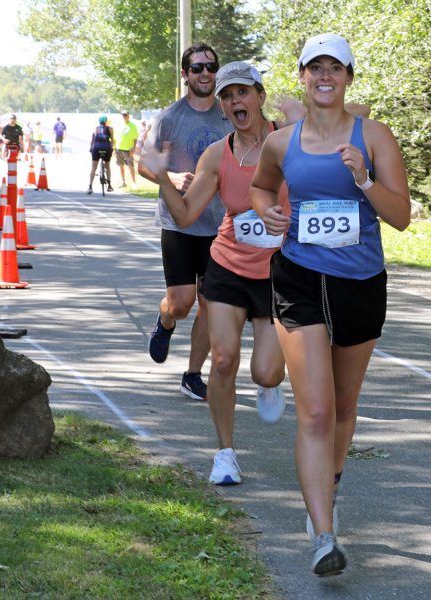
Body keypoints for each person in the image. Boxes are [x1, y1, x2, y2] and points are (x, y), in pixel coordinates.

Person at [250, 33, 411, 576]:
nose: (324, 76)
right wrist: (269, 213)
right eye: (314, 68)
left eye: (334, 68)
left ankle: (329, 485)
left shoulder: (375, 136)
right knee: (315, 411)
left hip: (359, 281)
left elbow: (402, 216)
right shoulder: (282, 142)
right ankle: (323, 535)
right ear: (301, 75)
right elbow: (261, 188)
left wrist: (364, 179)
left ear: (347, 77)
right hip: (298, 278)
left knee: (343, 407)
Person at [143, 61, 314, 486]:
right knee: (222, 360)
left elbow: (357, 119)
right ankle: (224, 454)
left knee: (266, 371)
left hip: (279, 270)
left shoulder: (293, 137)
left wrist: (313, 110)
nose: (235, 100)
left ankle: (269, 383)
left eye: (242, 92)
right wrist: (161, 175)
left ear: (259, 95)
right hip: (228, 267)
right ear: (221, 106)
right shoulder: (218, 154)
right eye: (227, 95)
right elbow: (184, 216)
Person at [138, 42, 234, 402]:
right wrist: (173, 179)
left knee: (210, 302)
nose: (205, 73)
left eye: (211, 67)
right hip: (179, 223)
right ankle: (164, 322)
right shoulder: (170, 118)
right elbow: (144, 165)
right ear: (185, 74)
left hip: (220, 225)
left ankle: (192, 375)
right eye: (197, 68)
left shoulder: (229, 114)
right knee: (181, 303)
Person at [87, 115, 114, 194]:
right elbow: (112, 140)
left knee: (93, 167)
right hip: (106, 148)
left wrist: (91, 148)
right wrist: (112, 148)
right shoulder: (110, 129)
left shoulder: (95, 129)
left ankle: (90, 186)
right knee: (108, 166)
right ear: (106, 122)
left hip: (96, 148)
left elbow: (92, 141)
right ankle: (109, 185)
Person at [115, 110, 139, 187]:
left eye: (126, 115)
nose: (125, 117)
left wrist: (133, 148)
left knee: (130, 165)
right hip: (119, 148)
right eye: (123, 115)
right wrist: (114, 148)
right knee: (121, 165)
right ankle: (123, 182)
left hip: (128, 149)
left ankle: (134, 182)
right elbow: (116, 138)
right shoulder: (119, 125)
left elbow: (135, 138)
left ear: (128, 116)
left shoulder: (132, 126)